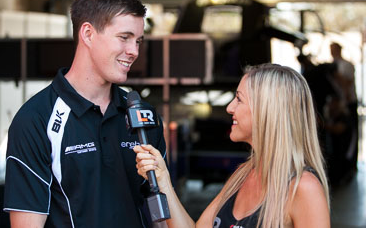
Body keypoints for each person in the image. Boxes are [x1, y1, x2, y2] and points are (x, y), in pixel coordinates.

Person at [3, 0, 166, 228]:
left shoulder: (143, 116)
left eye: (138, 41)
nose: (134, 51)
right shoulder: (35, 119)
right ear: (88, 34)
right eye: (124, 37)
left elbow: (162, 215)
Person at [135, 64, 330, 228]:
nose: (229, 108)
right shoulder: (243, 175)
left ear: (266, 111)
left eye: (239, 99)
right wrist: (163, 181)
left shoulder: (303, 188)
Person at [330, 42, 358, 175]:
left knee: (351, 133)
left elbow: (347, 83)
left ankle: (351, 164)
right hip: (338, 105)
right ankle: (341, 166)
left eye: (334, 49)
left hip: (348, 103)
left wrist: (344, 103)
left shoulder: (347, 65)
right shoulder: (330, 66)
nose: (332, 52)